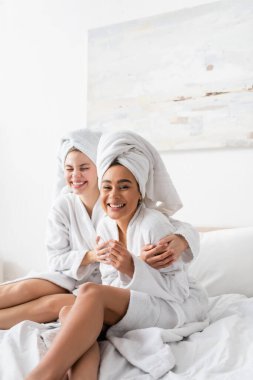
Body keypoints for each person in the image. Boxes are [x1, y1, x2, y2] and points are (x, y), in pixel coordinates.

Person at [25, 131, 208, 380]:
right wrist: (128, 269)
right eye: (107, 187)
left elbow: (177, 293)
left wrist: (133, 267)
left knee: (89, 292)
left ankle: (41, 375)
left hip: (173, 309)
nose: (113, 196)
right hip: (138, 303)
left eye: (124, 186)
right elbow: (111, 284)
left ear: (139, 192)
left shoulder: (154, 225)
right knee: (71, 312)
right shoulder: (105, 227)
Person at [0, 129, 196, 329]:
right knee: (22, 289)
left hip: (107, 285)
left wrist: (181, 239)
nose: (76, 176)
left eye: (84, 167)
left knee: (50, 304)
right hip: (71, 276)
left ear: (100, 167)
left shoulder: (119, 206)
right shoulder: (64, 206)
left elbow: (177, 226)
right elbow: (54, 259)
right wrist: (91, 256)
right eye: (69, 168)